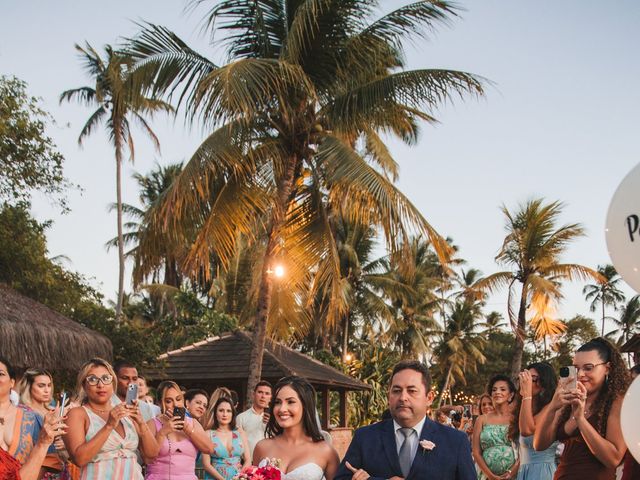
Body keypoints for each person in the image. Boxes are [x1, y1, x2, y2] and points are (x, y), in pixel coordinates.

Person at [336, 360, 476, 480]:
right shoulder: (365, 437)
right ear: (388, 397)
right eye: (396, 391)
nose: (403, 397)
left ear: (429, 398)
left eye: (412, 391)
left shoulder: (455, 441)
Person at [534, 337, 631, 480]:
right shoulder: (568, 401)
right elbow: (539, 445)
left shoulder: (616, 402)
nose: (580, 375)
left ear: (607, 368)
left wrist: (580, 419)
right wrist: (552, 407)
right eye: (576, 368)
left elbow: (613, 459)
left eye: (588, 368)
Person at [63, 357, 159, 479]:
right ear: (84, 384)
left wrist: (141, 423)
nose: (100, 385)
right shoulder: (77, 414)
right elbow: (79, 459)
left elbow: (151, 456)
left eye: (106, 379)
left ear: (113, 382)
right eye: (93, 379)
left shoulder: (124, 411)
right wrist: (109, 425)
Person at [254, 376, 339, 480]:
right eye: (277, 402)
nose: (282, 409)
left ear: (305, 405)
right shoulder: (262, 447)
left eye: (290, 402)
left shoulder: (326, 451)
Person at [0, 356, 66, 480]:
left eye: (0, 373)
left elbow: (50, 460)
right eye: (41, 385)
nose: (46, 390)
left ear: (12, 382)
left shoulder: (32, 418)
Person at [145, 380, 214, 480]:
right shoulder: (152, 423)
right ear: (159, 403)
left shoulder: (192, 423)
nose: (175, 404)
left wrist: (187, 428)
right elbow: (148, 458)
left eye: (178, 399)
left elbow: (209, 449)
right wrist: (163, 432)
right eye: (169, 401)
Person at [18, 368, 69, 479]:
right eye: (41, 386)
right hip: (37, 471)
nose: (47, 390)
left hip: (60, 470)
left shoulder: (53, 410)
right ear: (29, 387)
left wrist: (65, 443)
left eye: (49, 385)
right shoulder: (23, 412)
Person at [473, 374, 519, 480]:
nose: (497, 392)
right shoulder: (481, 420)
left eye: (502, 389)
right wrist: (491, 476)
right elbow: (476, 452)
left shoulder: (516, 419)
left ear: (511, 395)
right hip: (486, 476)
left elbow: (523, 450)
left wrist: (511, 473)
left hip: (513, 476)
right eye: (494, 390)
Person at [516, 362, 557, 480]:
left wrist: (526, 395)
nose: (525, 382)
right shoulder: (525, 409)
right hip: (525, 471)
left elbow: (527, 430)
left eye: (532, 379)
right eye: (525, 377)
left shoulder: (550, 407)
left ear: (544, 384)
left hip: (542, 472)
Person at [202, 397, 250, 479]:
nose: (225, 414)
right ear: (215, 413)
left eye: (228, 411)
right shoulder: (208, 434)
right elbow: (206, 464)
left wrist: (239, 477)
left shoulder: (241, 433)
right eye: (221, 410)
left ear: (232, 414)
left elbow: (248, 460)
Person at [236, 381, 272, 459]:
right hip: (247, 462)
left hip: (269, 462)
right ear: (253, 394)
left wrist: (272, 424)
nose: (263, 396)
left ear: (270, 398)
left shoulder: (275, 419)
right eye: (260, 392)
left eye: (267, 393)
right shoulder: (241, 417)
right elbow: (237, 444)